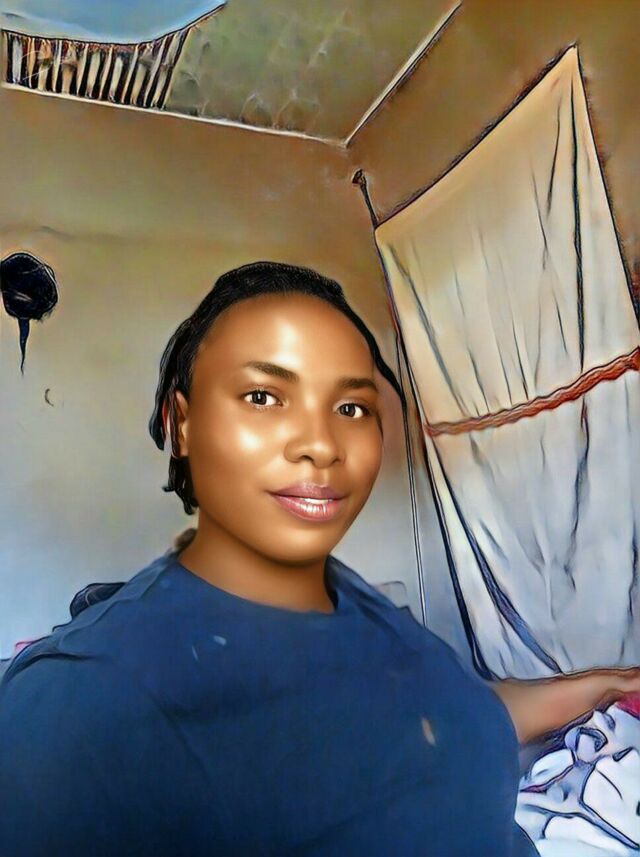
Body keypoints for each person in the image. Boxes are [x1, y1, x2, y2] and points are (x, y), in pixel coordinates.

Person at [0, 262, 637, 857]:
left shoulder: (359, 617)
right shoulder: (75, 705)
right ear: (181, 422)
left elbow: (447, 719)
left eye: (351, 407)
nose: (321, 444)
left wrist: (605, 685)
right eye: (263, 396)